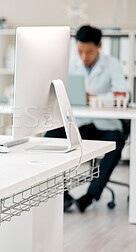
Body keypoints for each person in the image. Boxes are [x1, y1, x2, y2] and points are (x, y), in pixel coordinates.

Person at [46, 25, 128, 213]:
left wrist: (94, 98)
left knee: (116, 143)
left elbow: (123, 95)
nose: (84, 57)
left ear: (99, 45)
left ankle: (90, 196)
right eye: (80, 51)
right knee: (50, 137)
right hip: (79, 123)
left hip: (105, 126)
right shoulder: (69, 63)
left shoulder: (112, 64)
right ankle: (62, 194)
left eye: (89, 51)